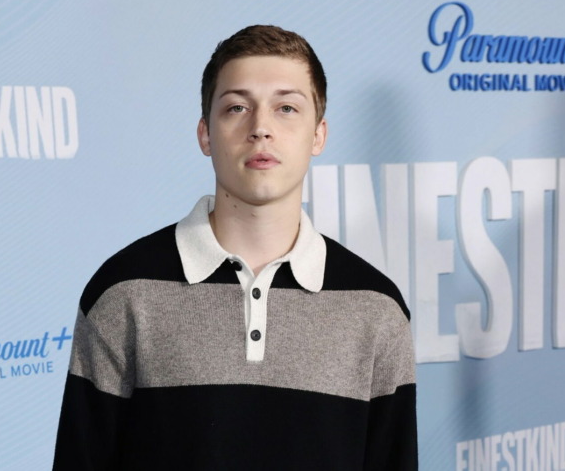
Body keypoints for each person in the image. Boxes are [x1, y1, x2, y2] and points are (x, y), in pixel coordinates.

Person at [52, 24, 417, 470]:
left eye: (286, 108)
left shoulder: (377, 309)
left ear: (318, 135)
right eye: (237, 107)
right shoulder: (123, 293)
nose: (261, 128)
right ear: (205, 134)